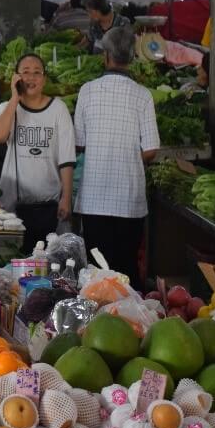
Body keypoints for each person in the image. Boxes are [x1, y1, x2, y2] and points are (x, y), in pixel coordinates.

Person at [74, 26, 159, 287]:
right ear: (132, 57)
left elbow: (80, 143)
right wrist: (128, 157)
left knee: (97, 273)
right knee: (127, 270)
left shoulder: (87, 91)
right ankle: (131, 322)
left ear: (106, 56)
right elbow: (151, 150)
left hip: (94, 199)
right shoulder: (143, 95)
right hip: (129, 202)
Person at [0, 54, 74, 249]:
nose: (31, 78)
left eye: (37, 73)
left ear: (44, 79)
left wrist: (66, 198)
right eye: (25, 73)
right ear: (16, 78)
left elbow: (67, 158)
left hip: (50, 206)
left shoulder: (58, 109)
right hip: (13, 207)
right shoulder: (6, 108)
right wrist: (14, 99)